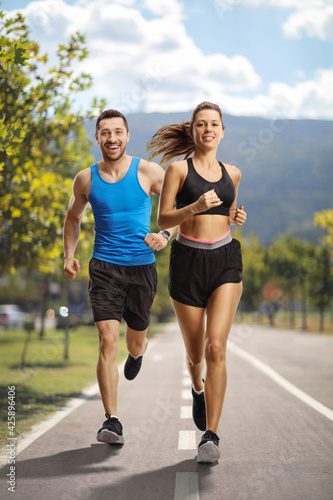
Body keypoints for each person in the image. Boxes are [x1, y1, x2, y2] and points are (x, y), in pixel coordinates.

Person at [63, 109, 175, 446]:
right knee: (107, 341)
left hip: (141, 268)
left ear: (127, 136)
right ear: (97, 138)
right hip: (104, 268)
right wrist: (69, 256)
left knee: (133, 340)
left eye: (117, 132)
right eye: (105, 133)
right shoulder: (85, 179)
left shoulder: (149, 171)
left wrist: (165, 234)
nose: (111, 138)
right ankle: (112, 421)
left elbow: (176, 210)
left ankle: (138, 353)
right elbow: (73, 219)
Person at [146, 101, 247, 463]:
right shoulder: (177, 169)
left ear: (222, 131)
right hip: (187, 262)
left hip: (224, 261)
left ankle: (211, 436)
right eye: (201, 124)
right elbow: (164, 218)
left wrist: (236, 216)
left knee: (215, 347)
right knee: (195, 354)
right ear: (193, 131)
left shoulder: (233, 173)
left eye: (214, 124)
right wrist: (195, 208)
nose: (208, 129)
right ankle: (197, 386)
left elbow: (229, 214)